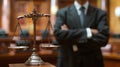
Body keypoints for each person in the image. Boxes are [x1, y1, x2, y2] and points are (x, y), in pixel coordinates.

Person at [53, 0, 109, 67]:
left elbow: (103, 38)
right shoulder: (62, 13)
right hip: (68, 62)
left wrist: (69, 34)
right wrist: (88, 32)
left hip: (92, 62)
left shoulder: (100, 13)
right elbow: (59, 35)